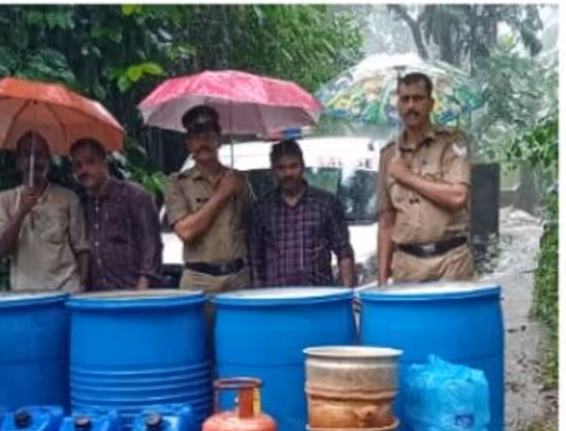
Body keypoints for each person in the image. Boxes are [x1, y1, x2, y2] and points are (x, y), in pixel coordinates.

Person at [376, 72, 474, 284]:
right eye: (405, 99)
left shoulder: (452, 142)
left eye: (418, 98)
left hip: (451, 263)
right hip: (407, 267)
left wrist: (406, 176)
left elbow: (457, 196)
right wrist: (382, 281)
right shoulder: (388, 155)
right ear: (398, 105)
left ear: (430, 104)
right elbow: (386, 221)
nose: (411, 106)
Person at [165, 105, 254, 294]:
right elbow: (186, 232)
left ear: (219, 140)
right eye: (196, 137)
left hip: (239, 278)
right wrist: (222, 193)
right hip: (198, 280)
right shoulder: (177, 183)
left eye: (208, 135)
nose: (203, 142)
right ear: (188, 144)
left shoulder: (238, 179)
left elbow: (251, 226)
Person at [250, 139, 356, 288]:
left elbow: (343, 252)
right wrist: (258, 297)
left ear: (303, 165)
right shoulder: (262, 209)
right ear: (272, 170)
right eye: (281, 168)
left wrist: (347, 293)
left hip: (319, 296)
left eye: (293, 166)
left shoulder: (325, 204)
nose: (288, 173)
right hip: (275, 297)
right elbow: (256, 261)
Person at [0, 131, 88, 292]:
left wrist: (83, 286)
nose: (34, 160)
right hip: (25, 295)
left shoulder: (68, 198)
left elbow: (81, 248)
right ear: (18, 162)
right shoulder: (5, 200)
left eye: (40, 154)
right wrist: (21, 212)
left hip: (66, 291)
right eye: (27, 154)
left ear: (48, 160)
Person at [69, 137, 163, 290]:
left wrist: (142, 291)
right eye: (77, 166)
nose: (84, 170)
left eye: (90, 162)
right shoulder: (83, 205)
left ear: (104, 163)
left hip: (132, 292)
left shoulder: (133, 196)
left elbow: (151, 246)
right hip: (97, 296)